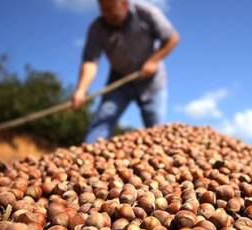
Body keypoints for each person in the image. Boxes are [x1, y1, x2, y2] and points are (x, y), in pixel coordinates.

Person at [72, 0, 179, 143]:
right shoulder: (96, 28)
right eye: (103, 10)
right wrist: (81, 89)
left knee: (156, 130)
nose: (106, 15)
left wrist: (154, 60)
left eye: (111, 10)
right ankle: (86, 154)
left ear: (124, 4)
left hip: (151, 81)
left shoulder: (147, 13)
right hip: (119, 80)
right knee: (102, 120)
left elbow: (172, 38)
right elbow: (90, 62)